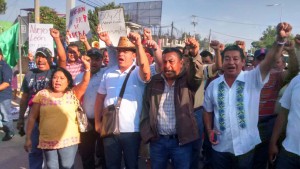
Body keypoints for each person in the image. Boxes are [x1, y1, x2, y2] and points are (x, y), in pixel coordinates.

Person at [203, 22, 292, 169]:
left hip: (245, 147)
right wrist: (208, 130)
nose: (231, 62)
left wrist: (280, 40)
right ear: (222, 62)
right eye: (227, 58)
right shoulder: (213, 85)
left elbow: (269, 61)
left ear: (243, 61)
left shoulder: (252, 78)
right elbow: (207, 110)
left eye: (236, 58)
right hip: (220, 147)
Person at [140, 43, 203, 168]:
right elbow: (146, 109)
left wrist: (195, 55)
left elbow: (196, 76)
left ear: (181, 63)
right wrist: (148, 134)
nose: (167, 66)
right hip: (157, 141)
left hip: (181, 141)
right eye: (164, 62)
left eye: (171, 62)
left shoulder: (188, 81)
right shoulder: (154, 81)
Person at [94, 32, 151, 169]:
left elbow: (146, 69)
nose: (121, 54)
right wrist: (97, 122)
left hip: (132, 130)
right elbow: (100, 97)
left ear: (134, 55)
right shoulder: (108, 72)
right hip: (109, 129)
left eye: (126, 51)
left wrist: (138, 44)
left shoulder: (138, 72)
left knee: (131, 165)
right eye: (119, 51)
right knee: (111, 165)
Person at [24, 55, 90, 169]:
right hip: (47, 140)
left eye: (61, 78)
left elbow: (84, 82)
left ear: (68, 81)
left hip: (68, 140)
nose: (58, 80)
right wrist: (28, 138)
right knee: (51, 166)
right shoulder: (42, 94)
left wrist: (87, 68)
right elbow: (32, 117)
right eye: (55, 77)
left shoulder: (73, 94)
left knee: (67, 166)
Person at [17, 28, 66, 169]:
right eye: (38, 56)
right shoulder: (30, 74)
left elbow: (63, 59)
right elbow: (25, 98)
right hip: (35, 121)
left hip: (52, 120)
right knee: (34, 151)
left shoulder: (55, 72)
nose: (40, 59)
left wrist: (57, 38)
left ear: (50, 59)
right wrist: (21, 118)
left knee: (52, 155)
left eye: (43, 56)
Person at [252, 39, 298, 169]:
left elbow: (293, 71)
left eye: (265, 59)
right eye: (259, 59)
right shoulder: (245, 76)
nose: (262, 62)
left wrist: (291, 52)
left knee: (261, 161)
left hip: (267, 125)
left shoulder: (276, 76)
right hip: (247, 124)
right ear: (254, 61)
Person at [74, 31, 117, 169]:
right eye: (90, 58)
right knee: (86, 153)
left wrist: (108, 43)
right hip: (84, 120)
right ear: (85, 59)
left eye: (97, 59)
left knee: (105, 153)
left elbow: (115, 60)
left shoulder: (107, 73)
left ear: (101, 61)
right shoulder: (79, 77)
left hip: (103, 119)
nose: (93, 62)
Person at [269, 34, 300, 169]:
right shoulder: (296, 82)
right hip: (289, 151)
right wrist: (273, 142)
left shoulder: (286, 77)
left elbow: (293, 69)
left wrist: (293, 50)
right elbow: (283, 114)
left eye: (278, 62)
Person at [0, 48, 15, 141]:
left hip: (4, 96)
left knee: (6, 115)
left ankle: (10, 132)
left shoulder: (5, 67)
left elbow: (6, 83)